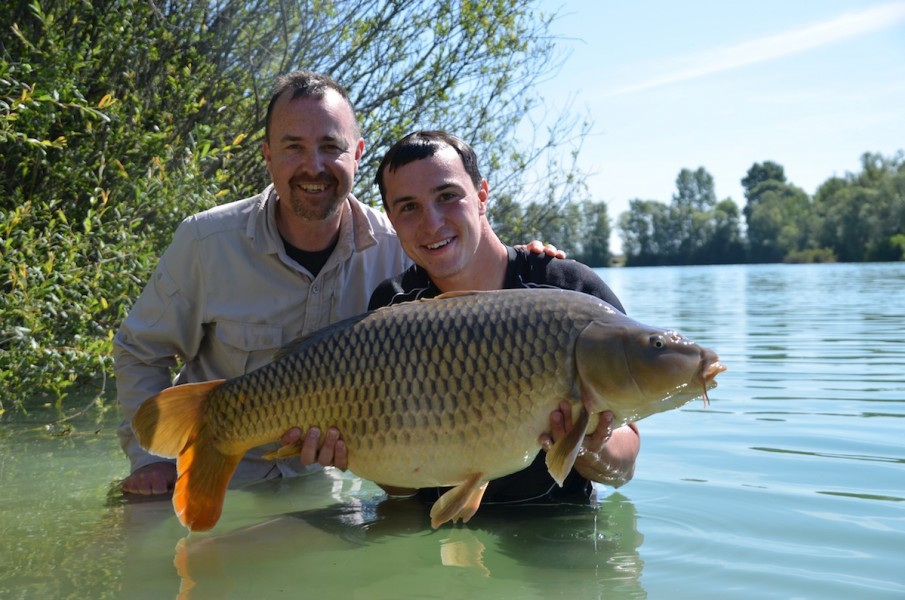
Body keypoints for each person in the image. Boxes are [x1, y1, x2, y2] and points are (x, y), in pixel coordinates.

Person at [116, 71, 559, 496]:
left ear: (358, 153)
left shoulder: (398, 244)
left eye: (331, 146)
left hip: (334, 489)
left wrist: (527, 262)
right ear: (267, 154)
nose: (314, 166)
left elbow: (467, 293)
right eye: (294, 147)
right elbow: (141, 350)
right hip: (218, 477)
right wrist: (148, 460)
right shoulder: (205, 242)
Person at [366, 130, 641, 505]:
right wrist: (351, 453)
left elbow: (625, 466)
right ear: (392, 220)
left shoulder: (568, 290)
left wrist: (587, 446)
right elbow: (400, 488)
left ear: (481, 196)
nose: (432, 223)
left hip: (554, 531)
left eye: (448, 197)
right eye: (408, 207)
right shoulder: (393, 308)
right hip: (433, 531)